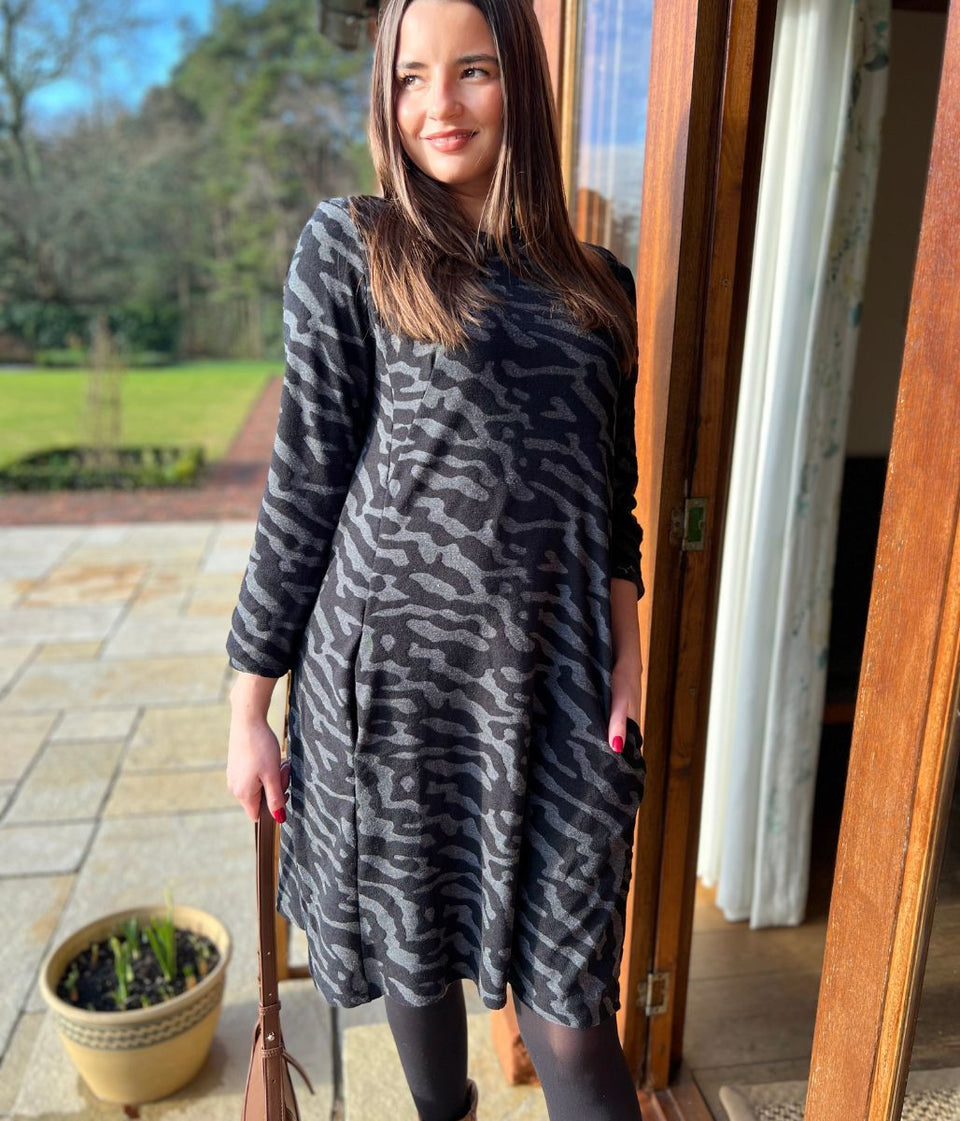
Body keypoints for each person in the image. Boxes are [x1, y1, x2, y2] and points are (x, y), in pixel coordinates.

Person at [225, 0, 647, 1118]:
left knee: (575, 1016)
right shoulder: (354, 247)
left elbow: (616, 505)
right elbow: (304, 488)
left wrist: (629, 657)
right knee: (417, 965)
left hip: (558, 694)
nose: (439, 106)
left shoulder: (603, 286)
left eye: (471, 71)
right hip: (395, 694)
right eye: (411, 78)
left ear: (523, 83)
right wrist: (246, 707)